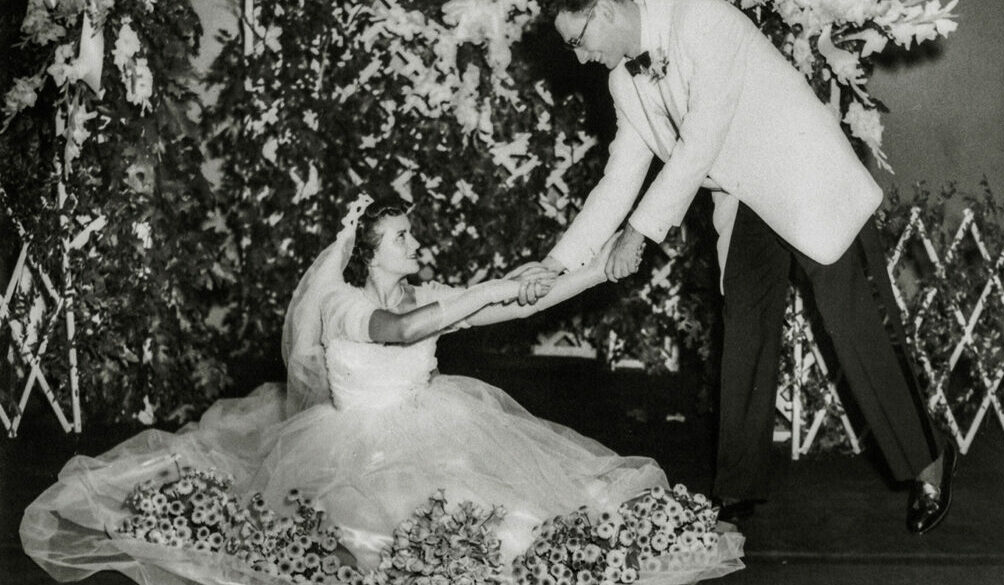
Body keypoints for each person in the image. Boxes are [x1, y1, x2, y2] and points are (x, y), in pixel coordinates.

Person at [21, 195, 744, 585]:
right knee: (378, 539)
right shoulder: (341, 303)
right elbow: (398, 331)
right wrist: (489, 284)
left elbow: (508, 305)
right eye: (400, 236)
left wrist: (591, 267)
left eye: (409, 233)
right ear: (368, 253)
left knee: (509, 519)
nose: (414, 243)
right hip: (348, 446)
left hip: (435, 423)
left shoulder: (427, 289)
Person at [516, 0, 954, 534]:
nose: (581, 57)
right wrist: (556, 262)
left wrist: (641, 231)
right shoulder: (624, 83)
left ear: (605, 9)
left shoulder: (704, 17)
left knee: (859, 326)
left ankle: (928, 458)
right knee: (744, 331)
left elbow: (703, 139)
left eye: (578, 40)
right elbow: (619, 180)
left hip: (806, 179)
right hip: (745, 199)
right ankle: (740, 484)